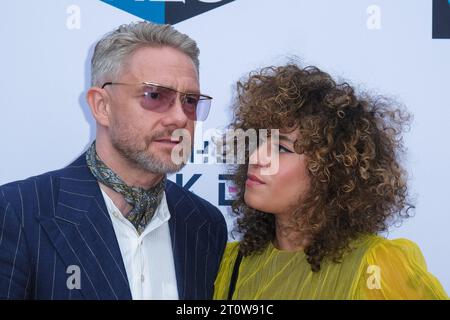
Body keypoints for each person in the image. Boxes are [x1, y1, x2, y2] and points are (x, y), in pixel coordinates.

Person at [0, 21, 227, 300]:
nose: (180, 118)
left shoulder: (205, 224)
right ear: (101, 106)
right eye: (155, 96)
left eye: (190, 101)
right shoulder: (18, 212)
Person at [213, 63, 448, 300]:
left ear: (332, 168)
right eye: (258, 141)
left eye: (281, 148)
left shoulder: (376, 266)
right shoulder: (231, 263)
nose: (255, 157)